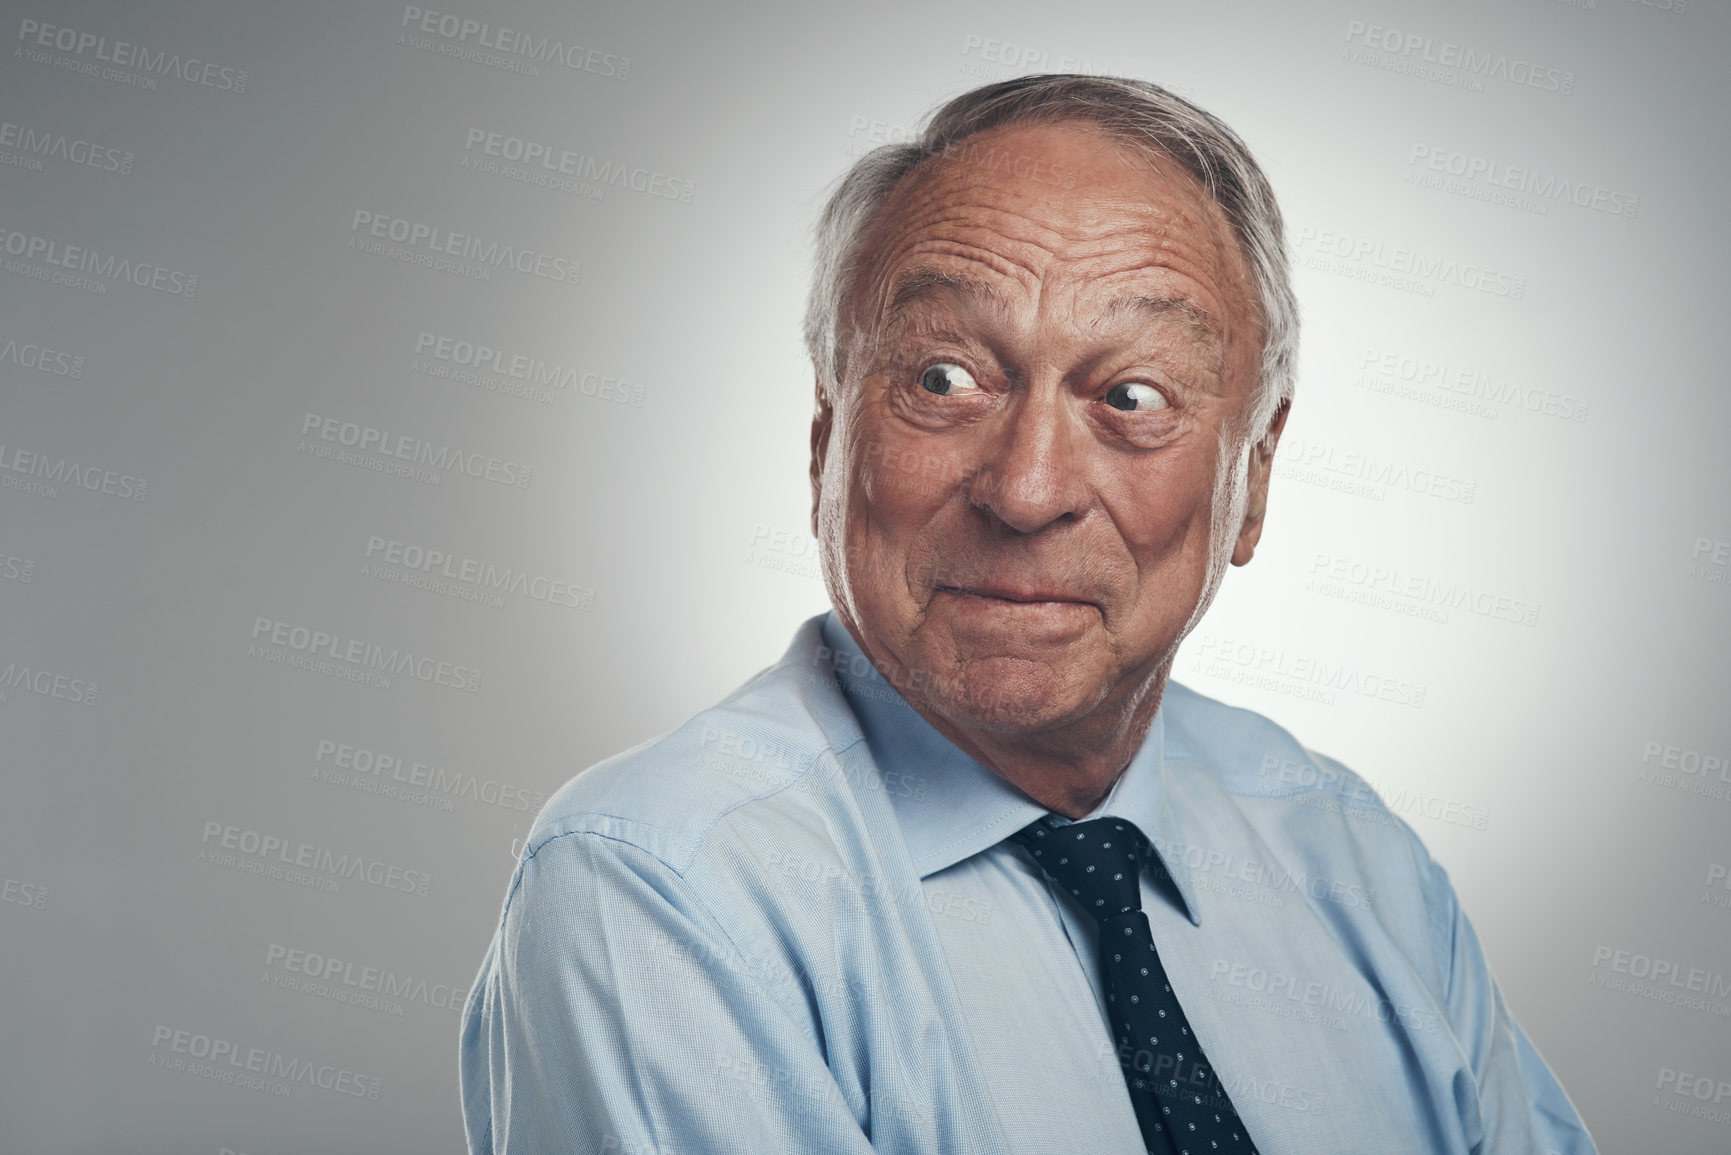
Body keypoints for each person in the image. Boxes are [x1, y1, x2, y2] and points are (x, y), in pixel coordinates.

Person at [459, 74, 1596, 1154]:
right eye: (945, 379)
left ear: (1254, 475)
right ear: (825, 439)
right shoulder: (664, 888)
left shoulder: (1355, 859)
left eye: (1131, 399)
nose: (1028, 488)